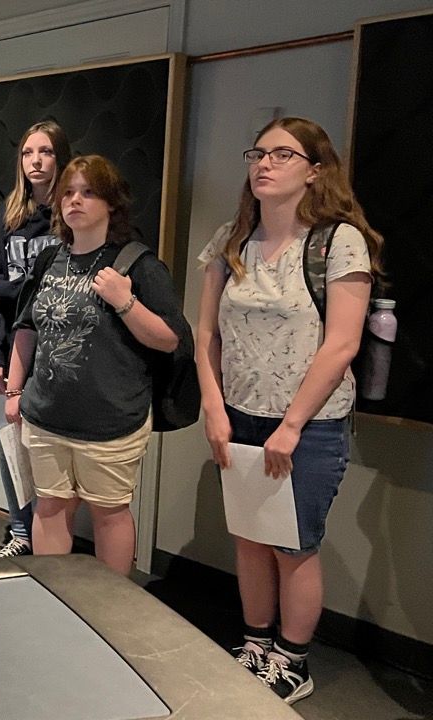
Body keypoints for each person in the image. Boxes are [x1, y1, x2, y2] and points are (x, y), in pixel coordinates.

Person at [196, 117, 381, 704]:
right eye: (258, 153)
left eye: (282, 154)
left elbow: (343, 343)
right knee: (250, 536)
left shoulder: (337, 240)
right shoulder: (231, 239)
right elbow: (204, 334)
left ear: (314, 170)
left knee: (294, 546)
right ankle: (256, 643)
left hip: (310, 423)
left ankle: (293, 660)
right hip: (239, 413)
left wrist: (293, 424)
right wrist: (213, 406)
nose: (264, 164)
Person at [5, 155, 187, 576]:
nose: (75, 201)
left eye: (88, 192)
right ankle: (54, 601)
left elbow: (170, 339)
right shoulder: (50, 260)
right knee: (49, 507)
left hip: (111, 421)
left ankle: (110, 611)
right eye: (68, 192)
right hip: (46, 415)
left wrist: (125, 301)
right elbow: (27, 327)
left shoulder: (138, 264)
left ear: (111, 203)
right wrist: (15, 391)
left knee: (109, 514)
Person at [0, 120, 72, 558]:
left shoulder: (71, 215)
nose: (36, 160)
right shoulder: (6, 215)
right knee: (11, 442)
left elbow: (58, 287)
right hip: (12, 349)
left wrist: (1, 289)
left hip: (59, 350)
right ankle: (20, 533)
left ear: (61, 157)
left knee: (51, 451)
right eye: (28, 152)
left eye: (46, 151)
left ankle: (50, 540)